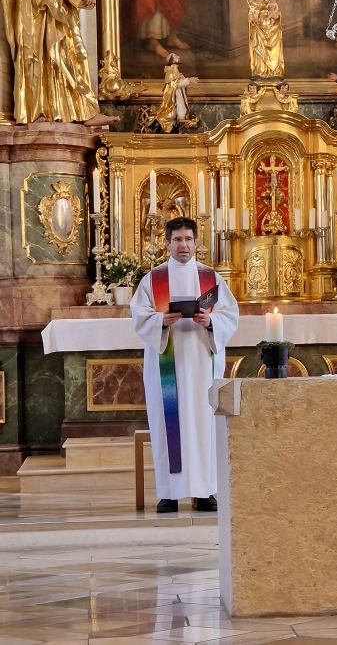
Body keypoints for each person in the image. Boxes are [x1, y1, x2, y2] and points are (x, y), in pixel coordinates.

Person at [131, 217, 239, 513]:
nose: (183, 245)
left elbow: (230, 314)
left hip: (202, 362)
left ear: (195, 242)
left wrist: (211, 321)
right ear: (167, 243)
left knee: (204, 422)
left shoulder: (210, 277)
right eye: (177, 239)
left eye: (188, 239)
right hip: (167, 361)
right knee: (170, 425)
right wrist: (159, 321)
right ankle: (169, 492)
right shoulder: (153, 279)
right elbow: (139, 316)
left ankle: (205, 491)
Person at [149, 53, 199, 133]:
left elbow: (177, 84)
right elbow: (175, 84)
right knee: (171, 116)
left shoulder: (174, 71)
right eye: (176, 56)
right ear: (173, 61)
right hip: (173, 101)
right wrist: (189, 80)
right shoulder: (171, 71)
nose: (178, 56)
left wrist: (184, 79)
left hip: (177, 98)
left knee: (177, 118)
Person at [247, 0, 284, 78]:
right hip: (259, 33)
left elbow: (277, 16)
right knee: (259, 53)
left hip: (272, 33)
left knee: (272, 53)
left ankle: (272, 72)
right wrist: (254, 18)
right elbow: (250, 19)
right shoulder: (252, 4)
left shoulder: (271, 2)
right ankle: (261, 71)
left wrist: (276, 16)